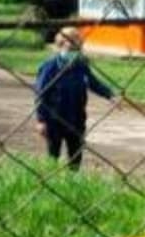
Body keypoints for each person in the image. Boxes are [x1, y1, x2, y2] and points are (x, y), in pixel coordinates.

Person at [34, 27, 116, 171]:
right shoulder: (50, 67)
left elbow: (93, 83)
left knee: (76, 154)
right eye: (70, 46)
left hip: (77, 118)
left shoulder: (81, 66)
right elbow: (41, 93)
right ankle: (51, 178)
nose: (74, 50)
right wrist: (41, 120)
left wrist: (110, 95)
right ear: (60, 46)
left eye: (77, 47)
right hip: (54, 119)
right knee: (53, 154)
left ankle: (73, 179)